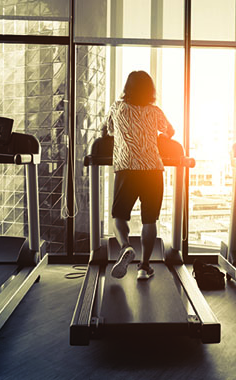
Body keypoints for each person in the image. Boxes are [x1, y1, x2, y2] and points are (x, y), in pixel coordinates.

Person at [100, 70, 175, 281]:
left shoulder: (118, 107)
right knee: (149, 220)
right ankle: (144, 267)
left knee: (119, 216)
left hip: (127, 169)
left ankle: (125, 246)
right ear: (150, 90)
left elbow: (106, 130)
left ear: (127, 88)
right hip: (153, 169)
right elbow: (170, 131)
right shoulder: (155, 111)